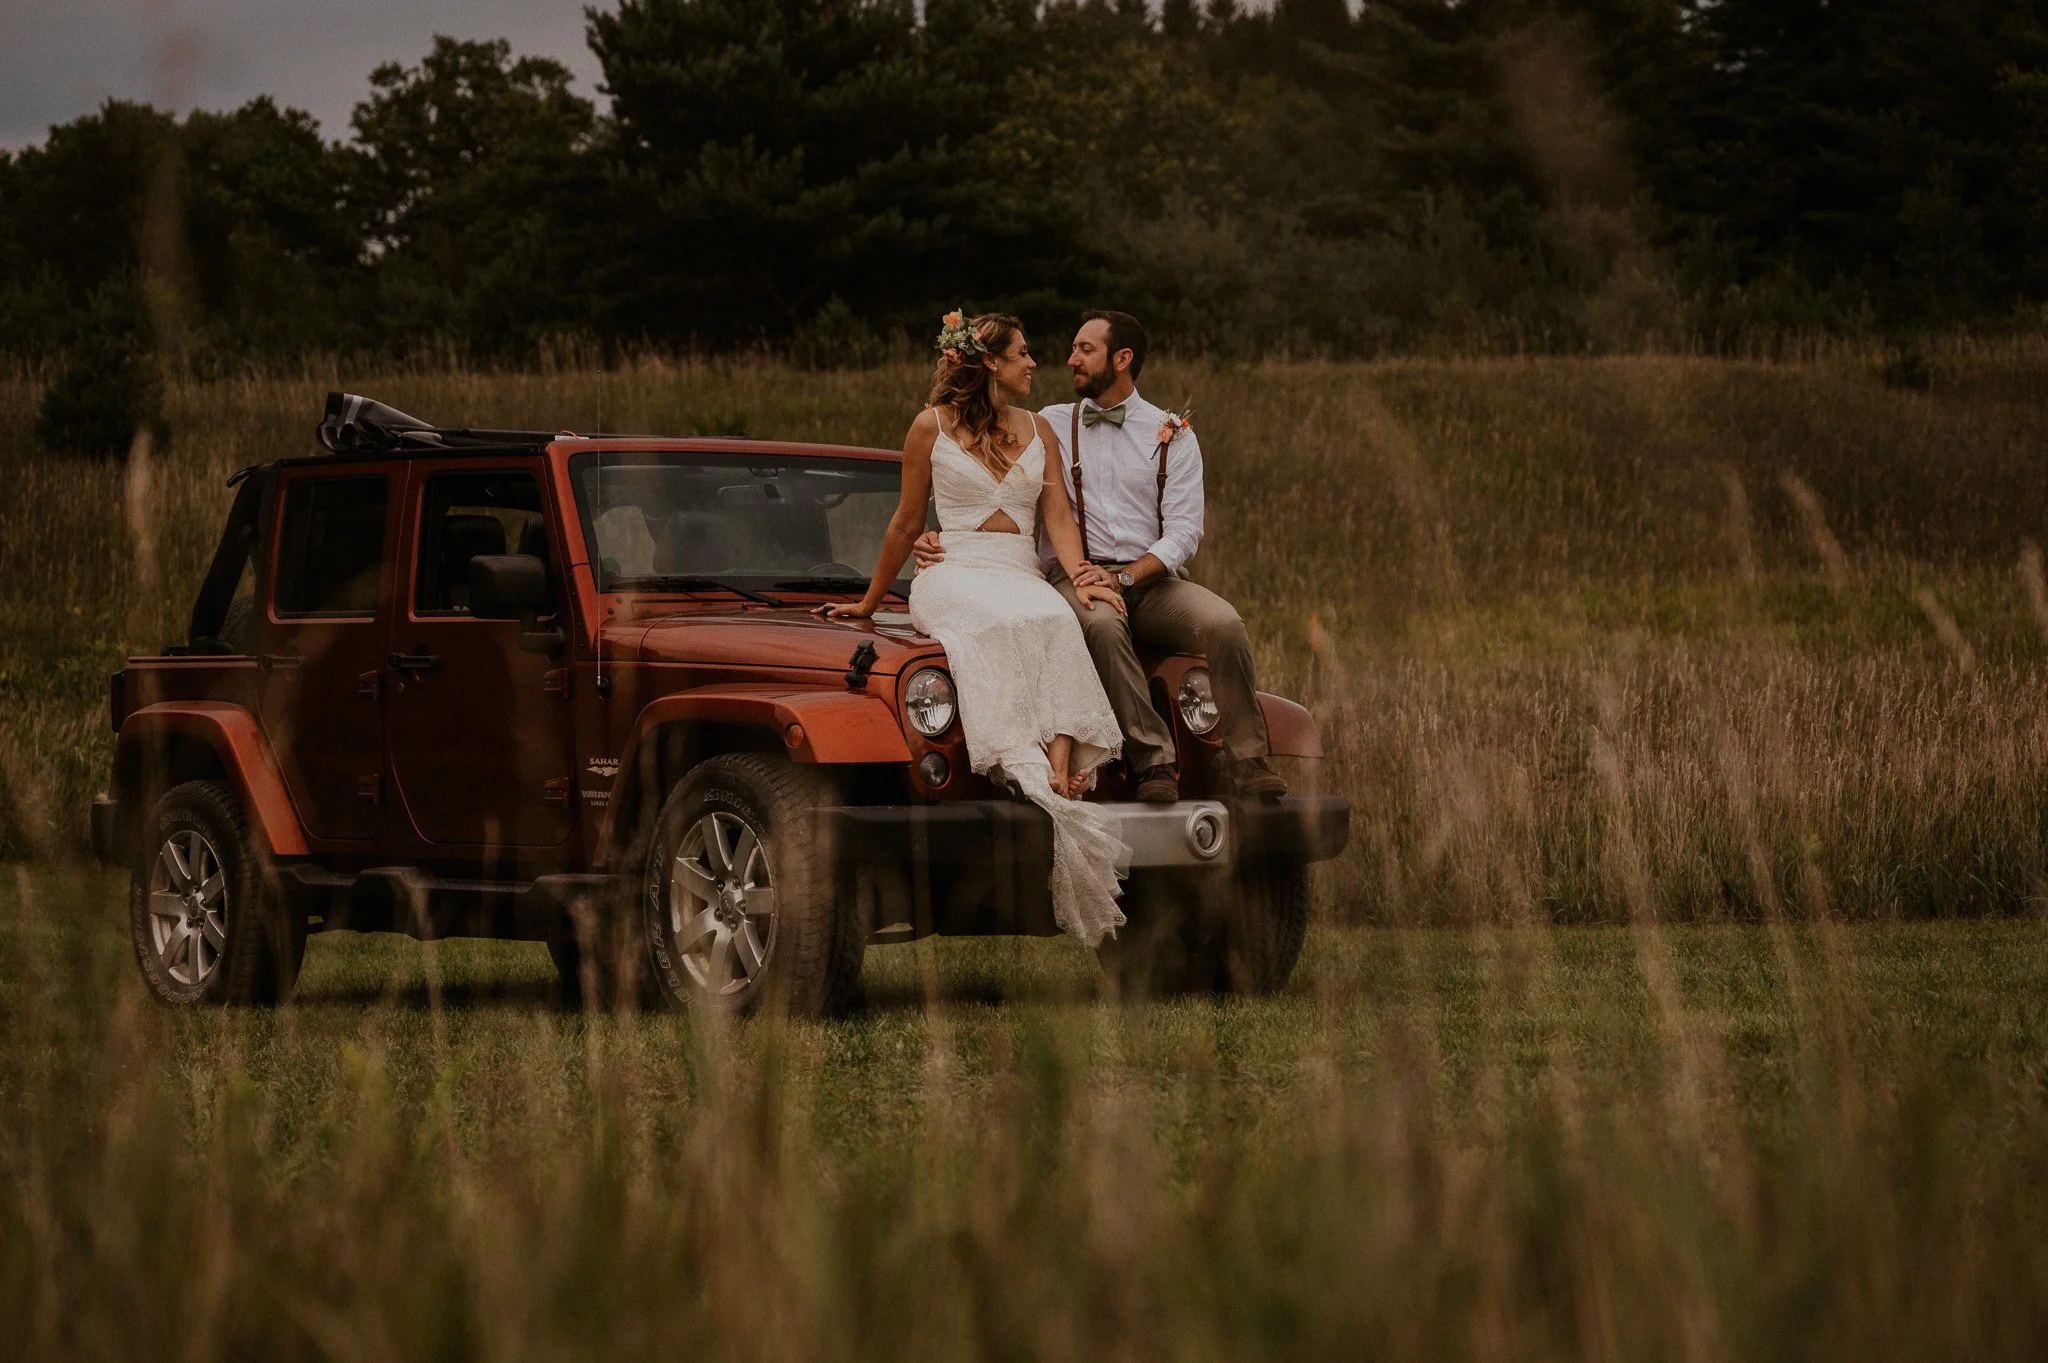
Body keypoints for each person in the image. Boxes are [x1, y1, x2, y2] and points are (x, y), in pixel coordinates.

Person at [819, 311, 1131, 948]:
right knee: (994, 625)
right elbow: (906, 525)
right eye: (1022, 354)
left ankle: (1061, 763)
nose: (1033, 365)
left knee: (1052, 615)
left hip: (1018, 570)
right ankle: (1029, 766)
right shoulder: (927, 427)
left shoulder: (1039, 426)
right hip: (954, 572)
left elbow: (1059, 521)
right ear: (990, 362)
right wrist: (870, 601)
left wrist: (1083, 575)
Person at [916, 310, 1287, 804]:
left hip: (1152, 581)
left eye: (1084, 350)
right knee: (1105, 626)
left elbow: (1183, 534)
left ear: (1122, 359)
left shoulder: (1173, 435)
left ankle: (1245, 756)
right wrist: (939, 535)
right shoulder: (1048, 421)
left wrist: (1129, 578)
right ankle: (1154, 760)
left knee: (1224, 624)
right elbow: (983, 472)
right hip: (1080, 574)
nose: (1069, 359)